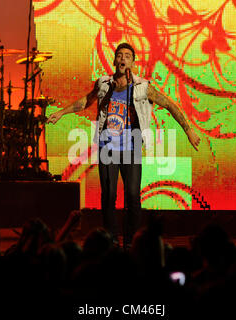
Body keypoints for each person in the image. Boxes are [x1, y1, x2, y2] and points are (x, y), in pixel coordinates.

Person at [47, 43, 200, 248]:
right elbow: (85, 101)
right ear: (114, 60)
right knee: (108, 195)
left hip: (131, 147)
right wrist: (61, 112)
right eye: (119, 55)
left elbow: (170, 104)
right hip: (107, 148)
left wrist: (188, 130)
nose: (122, 59)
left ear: (132, 62)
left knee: (133, 197)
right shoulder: (104, 84)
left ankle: (131, 242)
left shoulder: (142, 87)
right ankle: (110, 240)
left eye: (127, 56)